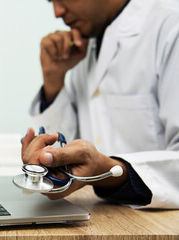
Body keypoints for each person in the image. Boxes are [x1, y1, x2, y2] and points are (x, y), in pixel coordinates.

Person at [21, 0, 179, 209]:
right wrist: (54, 79)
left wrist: (108, 171)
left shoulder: (170, 26)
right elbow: (70, 147)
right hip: (100, 212)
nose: (57, 12)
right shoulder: (87, 42)